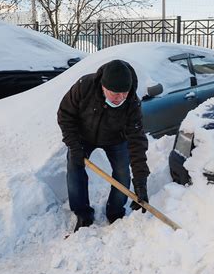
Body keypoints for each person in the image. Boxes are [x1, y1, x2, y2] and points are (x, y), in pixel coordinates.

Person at [57, 59, 150, 232]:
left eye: (124, 92)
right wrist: (74, 146)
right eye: (115, 93)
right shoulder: (84, 87)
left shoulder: (131, 103)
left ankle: (115, 212)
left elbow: (137, 142)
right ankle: (83, 214)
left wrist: (141, 183)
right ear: (103, 86)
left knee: (122, 173)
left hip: (116, 139)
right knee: (74, 167)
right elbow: (65, 115)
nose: (120, 97)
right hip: (83, 137)